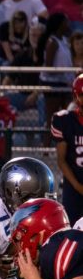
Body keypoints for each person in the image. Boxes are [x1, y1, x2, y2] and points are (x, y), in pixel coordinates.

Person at [54, 74, 83, 223]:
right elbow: (61, 160)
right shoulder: (64, 120)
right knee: (71, 228)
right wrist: (78, 186)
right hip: (74, 184)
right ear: (75, 97)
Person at [38, 13, 74, 126]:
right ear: (60, 24)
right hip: (53, 84)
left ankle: (68, 143)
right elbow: (49, 67)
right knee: (52, 118)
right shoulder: (52, 42)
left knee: (69, 117)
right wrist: (64, 71)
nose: (69, 25)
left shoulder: (64, 40)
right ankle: (46, 143)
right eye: (66, 22)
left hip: (65, 83)